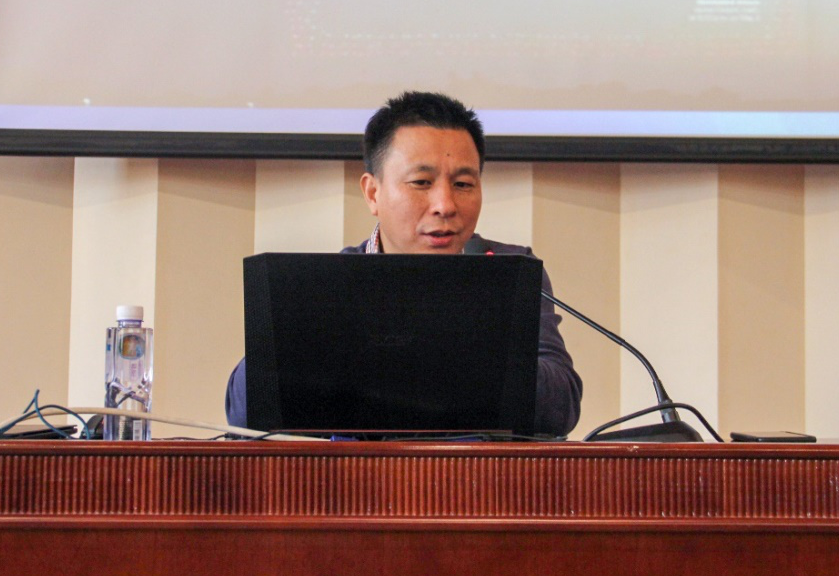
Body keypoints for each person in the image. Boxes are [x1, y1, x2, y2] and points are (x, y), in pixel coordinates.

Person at [224, 92, 582, 436]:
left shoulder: (505, 270)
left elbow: (561, 406)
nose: (445, 205)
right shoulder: (330, 285)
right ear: (373, 193)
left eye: (462, 184)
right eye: (421, 182)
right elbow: (245, 408)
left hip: (476, 474)